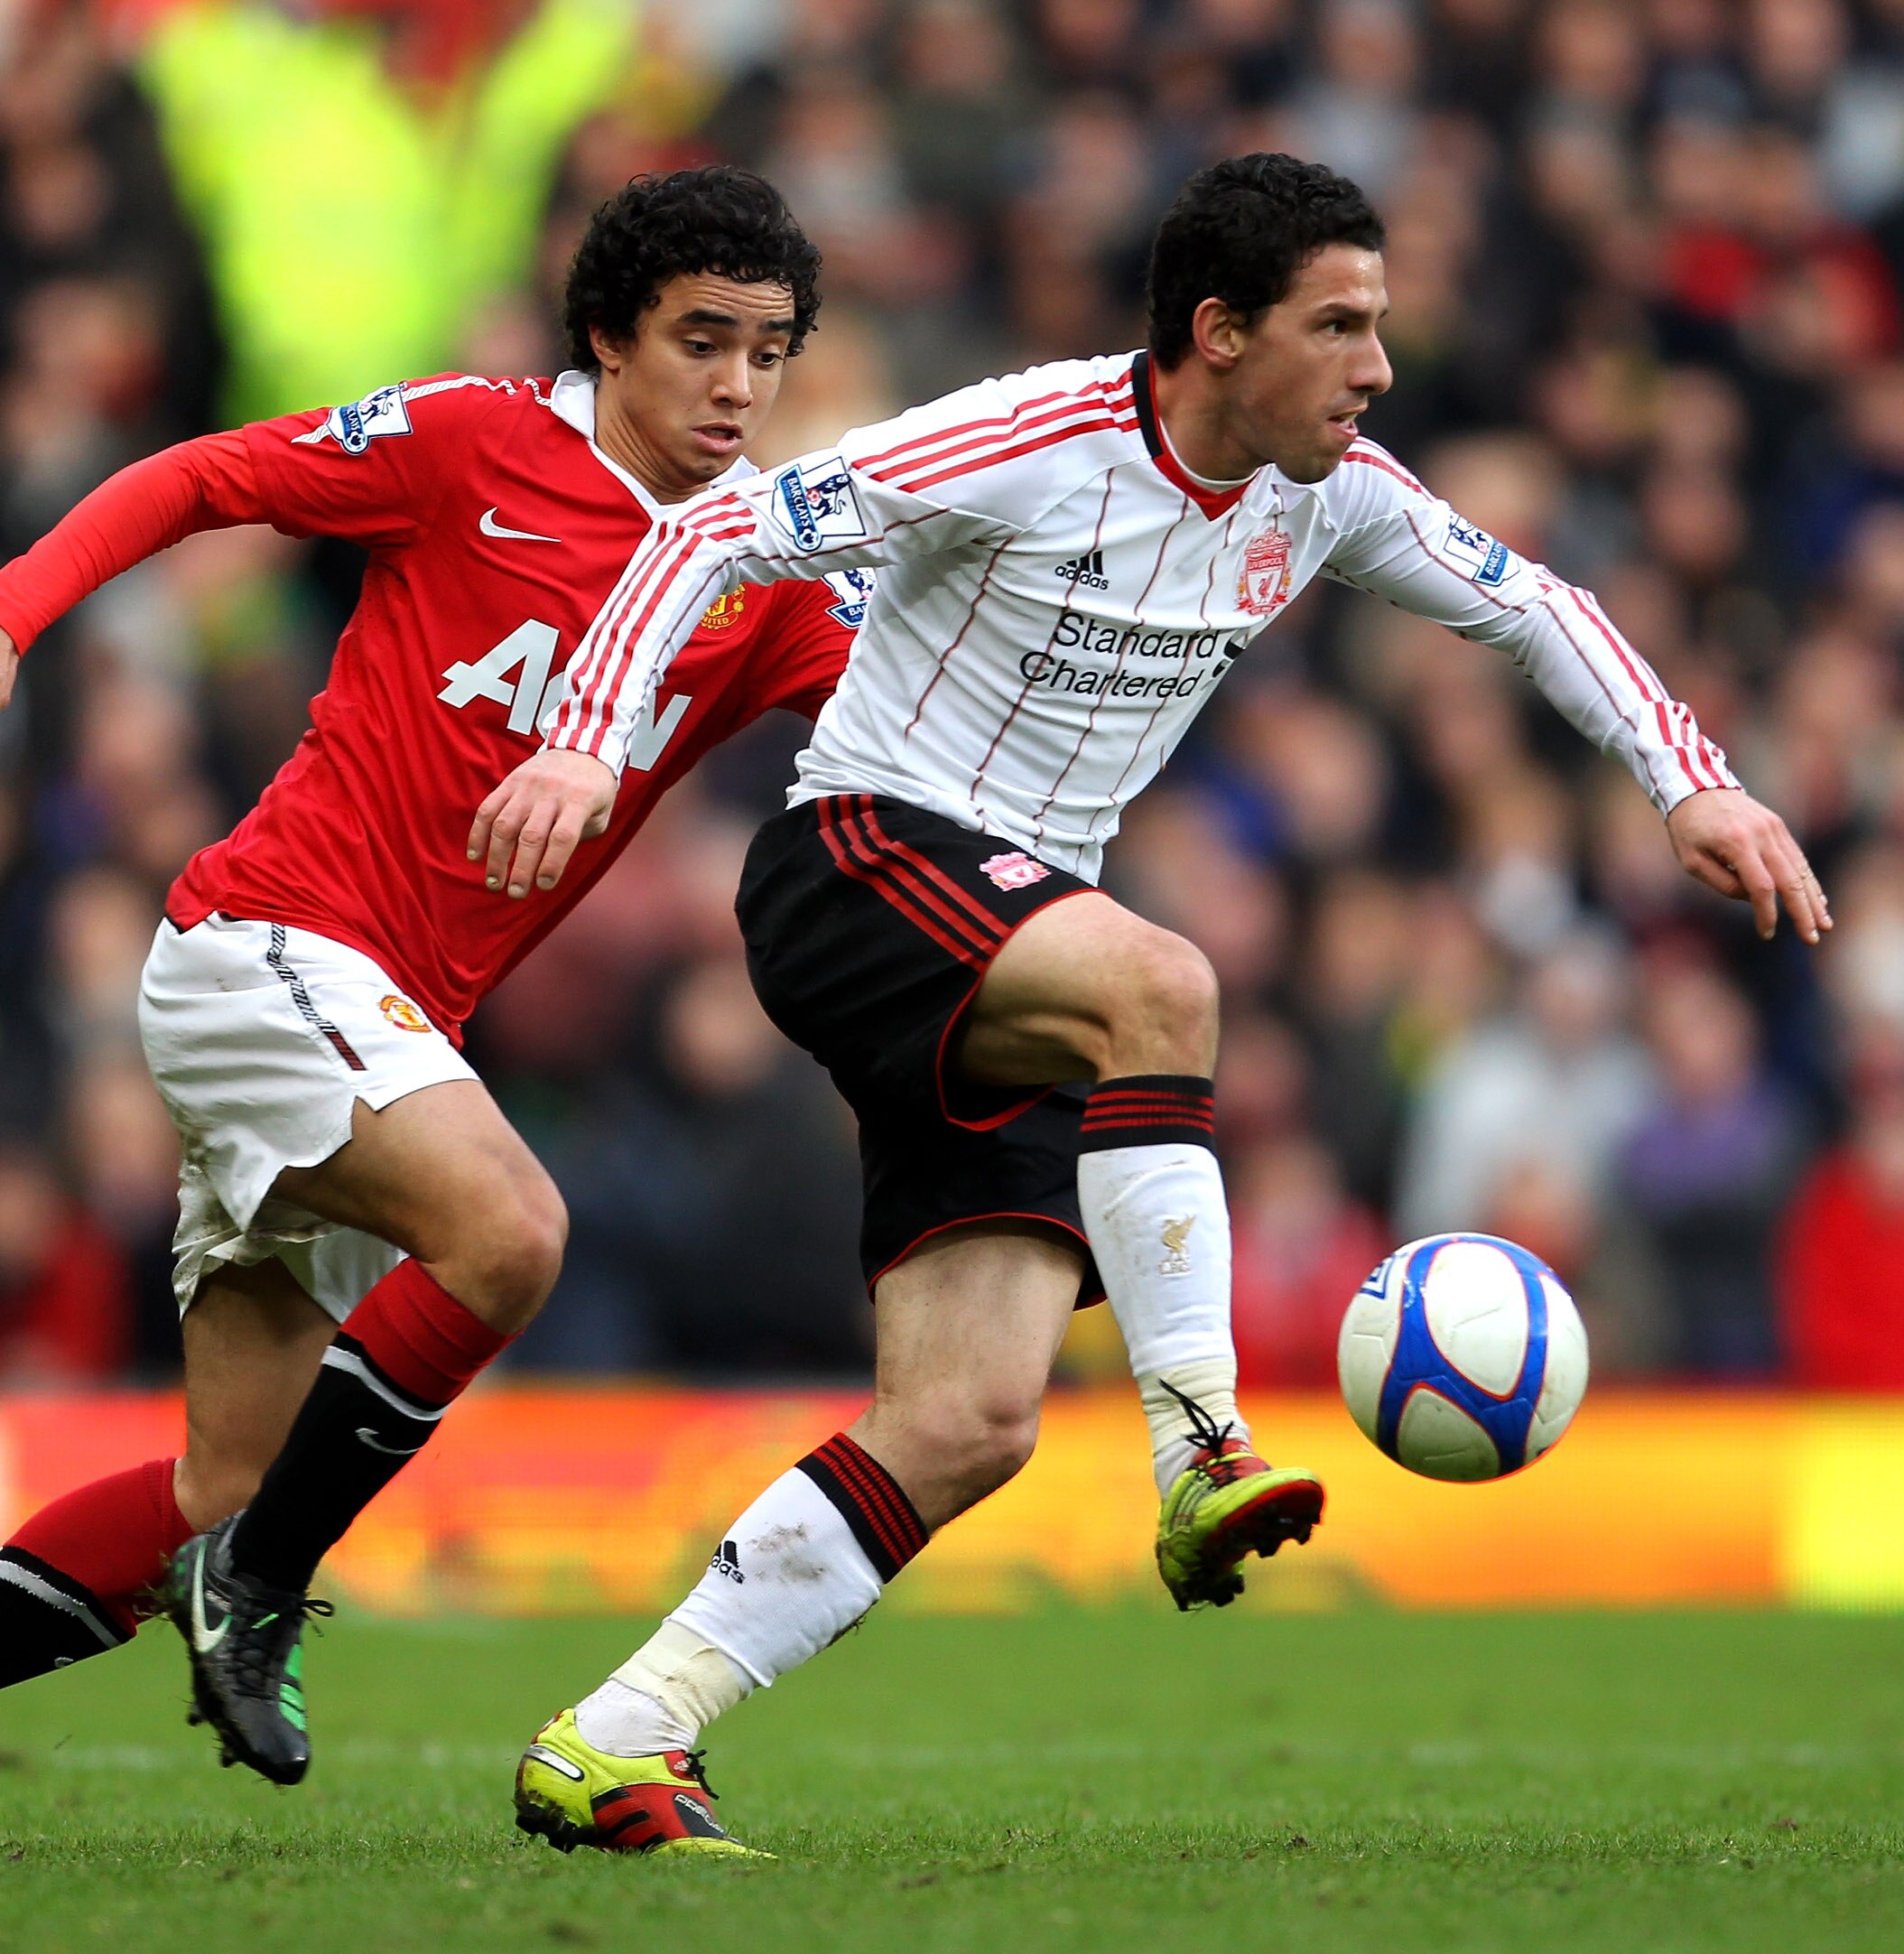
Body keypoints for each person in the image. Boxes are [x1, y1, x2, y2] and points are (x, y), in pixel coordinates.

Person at [479, 152, 1831, 1856]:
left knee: (967, 1420)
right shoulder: (1027, 437)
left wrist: (1689, 784)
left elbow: (1534, 605)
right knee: (1168, 983)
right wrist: (594, 737)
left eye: (1381, 327)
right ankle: (1203, 1447)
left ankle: (619, 1733)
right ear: (1218, 331)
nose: (1378, 367)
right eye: (1339, 326)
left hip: (1016, 956)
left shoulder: (1324, 494)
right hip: (860, 862)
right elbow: (726, 530)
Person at [0, 167, 855, 1850]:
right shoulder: (474, 441)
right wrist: (1, 615)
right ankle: (258, 1590)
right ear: (610, 336)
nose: (739, 389)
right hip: (270, 949)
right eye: (704, 342)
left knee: (222, 1480)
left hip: (384, 1024)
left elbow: (904, 724)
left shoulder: (755, 567)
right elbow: (200, 476)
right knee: (513, 1234)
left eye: (770, 352)